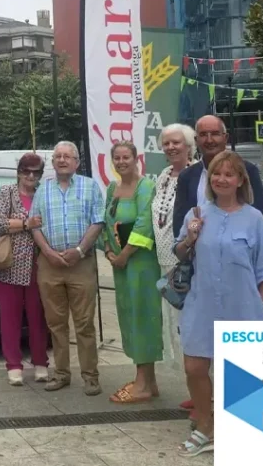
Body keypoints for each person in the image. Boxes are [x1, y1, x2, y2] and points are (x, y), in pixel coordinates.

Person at [174, 150, 263, 458]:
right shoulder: (196, 213)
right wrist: (190, 238)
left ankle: (243, 433)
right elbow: (180, 253)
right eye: (216, 174)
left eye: (228, 174)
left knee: (240, 373)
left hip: (243, 305)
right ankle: (206, 427)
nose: (221, 179)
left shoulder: (255, 219)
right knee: (194, 366)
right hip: (201, 302)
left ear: (240, 180)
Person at [29, 141, 105, 395]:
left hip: (81, 263)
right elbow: (35, 225)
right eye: (58, 157)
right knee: (56, 323)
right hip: (49, 265)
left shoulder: (90, 186)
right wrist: (48, 253)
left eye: (67, 156)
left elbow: (97, 221)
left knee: (84, 323)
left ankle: (90, 376)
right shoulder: (43, 190)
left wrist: (80, 251)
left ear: (76, 162)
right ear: (53, 163)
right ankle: (61, 374)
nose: (62, 160)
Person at [101, 142, 161, 403]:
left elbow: (145, 223)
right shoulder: (112, 188)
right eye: (117, 158)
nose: (122, 161)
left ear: (137, 159)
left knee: (143, 316)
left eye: (127, 157)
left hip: (141, 264)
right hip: (120, 266)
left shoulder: (145, 187)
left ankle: (143, 381)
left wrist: (124, 255)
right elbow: (106, 220)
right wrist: (108, 250)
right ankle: (148, 381)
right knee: (128, 315)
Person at [0, 153, 49, 386]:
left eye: (36, 172)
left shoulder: (45, 192)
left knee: (39, 318)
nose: (30, 176)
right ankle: (13, 364)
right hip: (9, 264)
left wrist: (17, 224)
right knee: (10, 318)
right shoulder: (7, 192)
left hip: (41, 264)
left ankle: (41, 362)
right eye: (26, 171)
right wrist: (26, 224)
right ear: (19, 171)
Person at [150, 123, 197, 413]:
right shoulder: (163, 177)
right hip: (165, 263)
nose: (170, 148)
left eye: (176, 142)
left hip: (189, 263)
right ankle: (195, 389)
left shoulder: (198, 174)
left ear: (189, 145)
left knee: (193, 328)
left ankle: (210, 392)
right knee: (177, 329)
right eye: (166, 143)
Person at [173, 115, 263, 238]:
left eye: (215, 134)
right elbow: (180, 225)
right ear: (196, 140)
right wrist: (193, 236)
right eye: (203, 134)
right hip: (199, 254)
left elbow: (257, 217)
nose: (209, 140)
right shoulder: (187, 177)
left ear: (225, 138)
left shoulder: (247, 171)